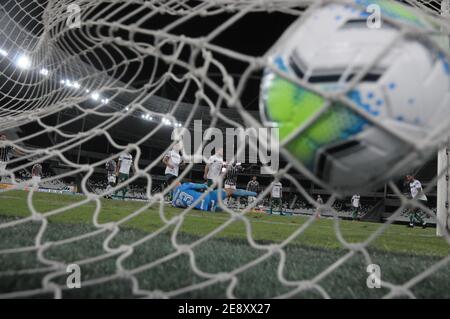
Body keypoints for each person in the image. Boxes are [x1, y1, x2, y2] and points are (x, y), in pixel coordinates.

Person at [171, 182, 256, 212]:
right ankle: (255, 194)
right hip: (207, 197)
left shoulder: (174, 202)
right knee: (230, 191)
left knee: (220, 208)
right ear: (176, 183)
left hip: (203, 208)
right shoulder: (183, 186)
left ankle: (216, 207)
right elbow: (200, 186)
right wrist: (207, 187)